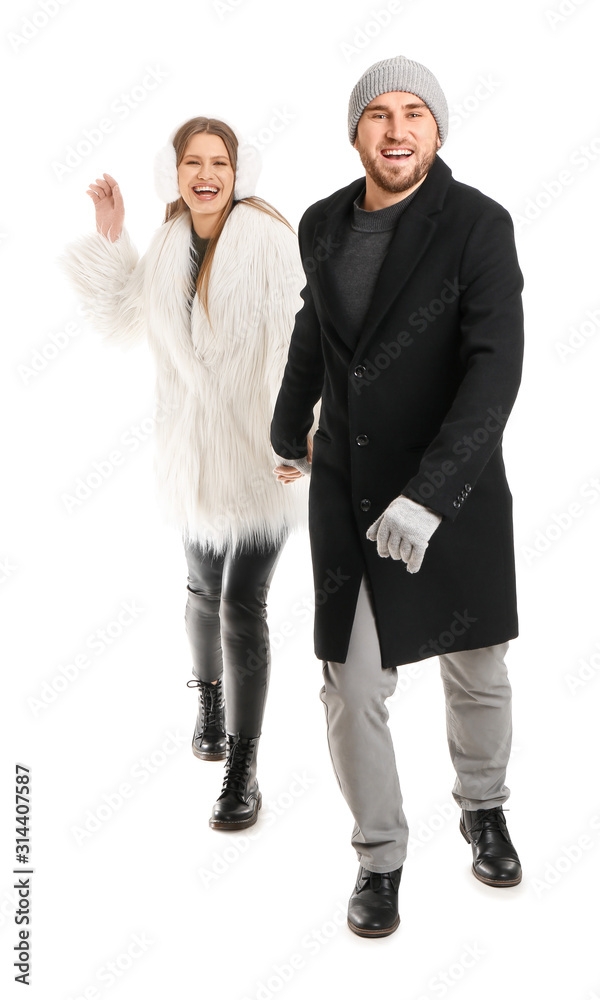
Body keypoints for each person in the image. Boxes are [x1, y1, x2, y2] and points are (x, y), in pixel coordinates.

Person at [271, 55, 524, 937]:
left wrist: (432, 494)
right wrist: (284, 426)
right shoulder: (321, 223)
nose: (397, 128)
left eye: (414, 112)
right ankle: (379, 858)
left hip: (451, 485)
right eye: (379, 114)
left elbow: (495, 371)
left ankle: (483, 807)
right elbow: (319, 327)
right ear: (356, 133)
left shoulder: (479, 225)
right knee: (351, 683)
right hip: (349, 484)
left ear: (437, 129)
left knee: (477, 669)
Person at [59, 115, 312, 831]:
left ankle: (243, 767)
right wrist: (113, 234)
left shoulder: (268, 240)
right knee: (203, 589)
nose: (206, 174)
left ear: (239, 173)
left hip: (267, 458)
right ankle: (209, 695)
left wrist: (300, 439)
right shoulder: (170, 241)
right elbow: (120, 318)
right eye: (193, 162)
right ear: (175, 174)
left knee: (241, 603)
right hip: (193, 452)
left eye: (219, 163)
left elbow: (304, 339)